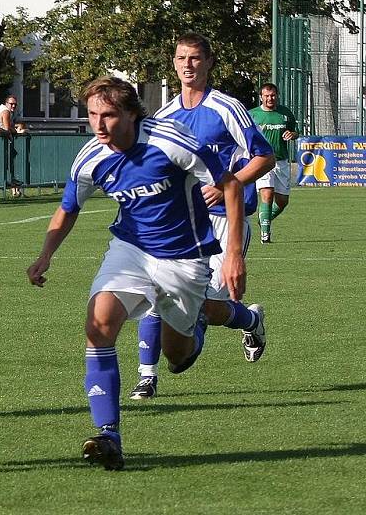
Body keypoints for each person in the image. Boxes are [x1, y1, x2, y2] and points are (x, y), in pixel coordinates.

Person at [27, 76, 245, 470]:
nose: (98, 124)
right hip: (130, 249)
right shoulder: (91, 157)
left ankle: (198, 321)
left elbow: (229, 186)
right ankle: (108, 435)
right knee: (98, 325)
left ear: (130, 113)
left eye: (108, 115)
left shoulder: (170, 141)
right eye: (92, 114)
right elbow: (69, 206)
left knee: (176, 357)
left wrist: (233, 256)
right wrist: (46, 255)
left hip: (184, 257)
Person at [129, 32, 275, 401]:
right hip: (181, 226)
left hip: (226, 221)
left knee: (201, 309)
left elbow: (264, 157)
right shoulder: (164, 116)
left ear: (209, 62)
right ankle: (147, 376)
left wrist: (228, 183)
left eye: (195, 58)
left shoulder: (226, 108)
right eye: (181, 58)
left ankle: (250, 319)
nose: (188, 65)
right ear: (174, 63)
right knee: (154, 291)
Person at [250, 83, 298, 244]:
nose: (270, 98)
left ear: (277, 95)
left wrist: (292, 134)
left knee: (282, 202)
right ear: (261, 97)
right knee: (267, 193)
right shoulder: (252, 115)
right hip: (261, 160)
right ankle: (265, 234)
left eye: (273, 95)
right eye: (266, 96)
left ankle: (265, 219)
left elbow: (295, 131)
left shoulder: (285, 113)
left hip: (281, 161)